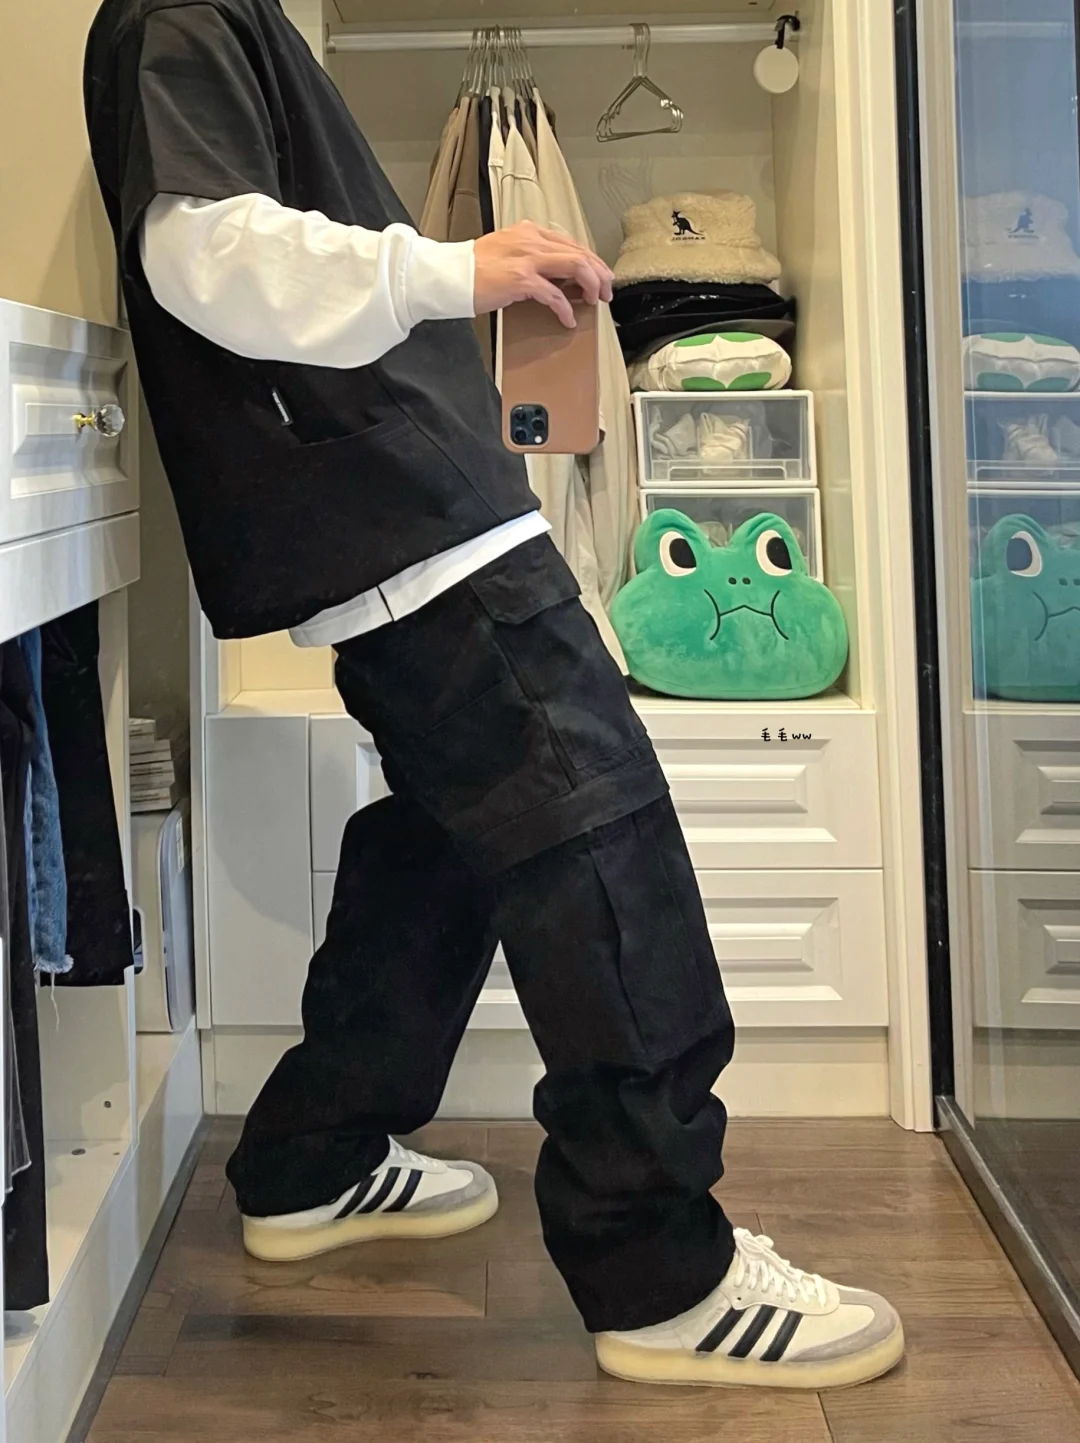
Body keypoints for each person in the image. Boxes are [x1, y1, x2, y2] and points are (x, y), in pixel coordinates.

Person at [84, 0, 903, 1388]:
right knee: (600, 840)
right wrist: (451, 267)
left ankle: (312, 1158)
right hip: (407, 515)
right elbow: (200, 251)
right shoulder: (181, 9)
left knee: (450, 841)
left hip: (389, 516)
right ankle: (662, 1274)